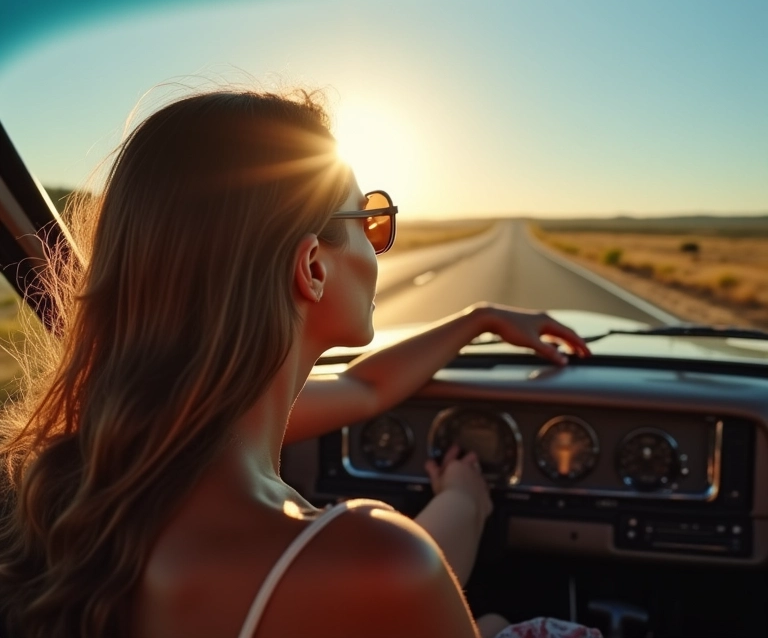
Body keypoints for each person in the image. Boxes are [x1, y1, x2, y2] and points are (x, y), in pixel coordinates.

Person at [0, 89, 597, 638]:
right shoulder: (375, 558)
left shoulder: (76, 469)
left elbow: (366, 388)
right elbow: (386, 574)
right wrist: (467, 497)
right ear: (312, 267)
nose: (376, 239)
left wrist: (479, 318)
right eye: (369, 220)